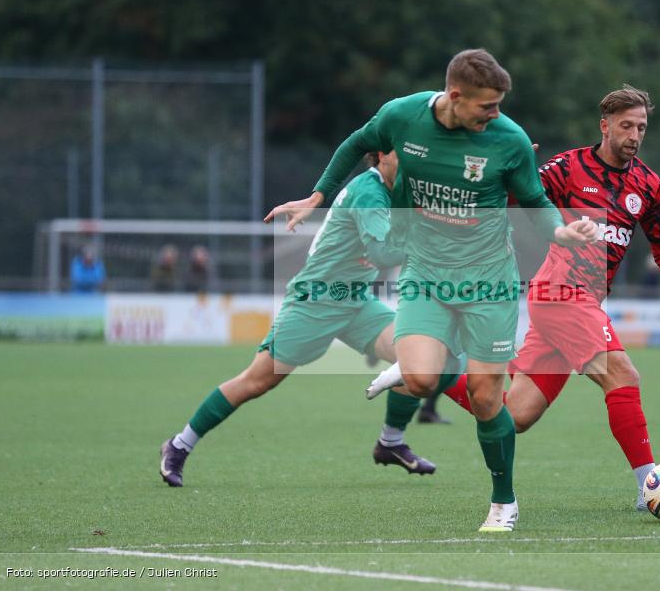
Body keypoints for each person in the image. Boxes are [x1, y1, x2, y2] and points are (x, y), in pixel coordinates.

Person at [267, 48, 595, 532]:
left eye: (500, 105)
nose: (496, 115)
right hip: (426, 275)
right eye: (487, 106)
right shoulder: (403, 115)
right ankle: (417, 364)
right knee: (420, 380)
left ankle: (503, 501)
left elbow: (535, 201)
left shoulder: (510, 140)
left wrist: (561, 232)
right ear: (455, 96)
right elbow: (356, 143)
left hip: (489, 283)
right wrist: (316, 195)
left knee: (486, 399)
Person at [369, 85, 660, 514]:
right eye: (626, 126)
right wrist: (507, 171)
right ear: (605, 126)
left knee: (515, 415)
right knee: (623, 375)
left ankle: (437, 369)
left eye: (641, 127)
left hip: (580, 299)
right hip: (561, 292)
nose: (635, 135)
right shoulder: (567, 168)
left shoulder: (648, 184)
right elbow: (513, 202)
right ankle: (650, 486)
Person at [159, 151, 445, 489]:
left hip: (355, 300)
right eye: (404, 148)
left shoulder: (400, 187)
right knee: (258, 380)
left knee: (415, 358)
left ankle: (391, 442)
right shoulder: (369, 191)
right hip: (316, 301)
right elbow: (384, 251)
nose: (416, 152)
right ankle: (179, 445)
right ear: (382, 155)